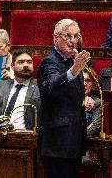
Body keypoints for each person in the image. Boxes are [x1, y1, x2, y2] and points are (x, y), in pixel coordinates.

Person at [37, 19, 92, 178]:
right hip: (57, 143)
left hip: (73, 140)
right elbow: (51, 87)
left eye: (76, 36)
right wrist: (73, 71)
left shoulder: (73, 61)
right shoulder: (50, 62)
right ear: (55, 38)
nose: (73, 40)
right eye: (68, 36)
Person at [83, 68, 102, 137]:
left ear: (93, 85)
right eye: (81, 80)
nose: (84, 84)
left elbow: (94, 128)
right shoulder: (68, 99)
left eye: (88, 81)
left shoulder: (97, 103)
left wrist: (76, 135)